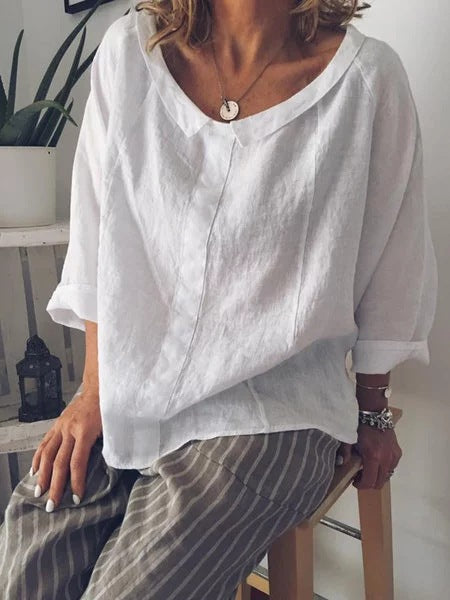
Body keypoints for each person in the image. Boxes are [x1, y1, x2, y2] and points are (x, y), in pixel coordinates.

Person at [0, 0, 438, 598]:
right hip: (133, 392)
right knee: (32, 549)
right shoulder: (130, 54)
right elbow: (98, 237)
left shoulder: (366, 82)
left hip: (271, 414)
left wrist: (372, 409)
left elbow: (393, 262)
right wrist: (93, 392)